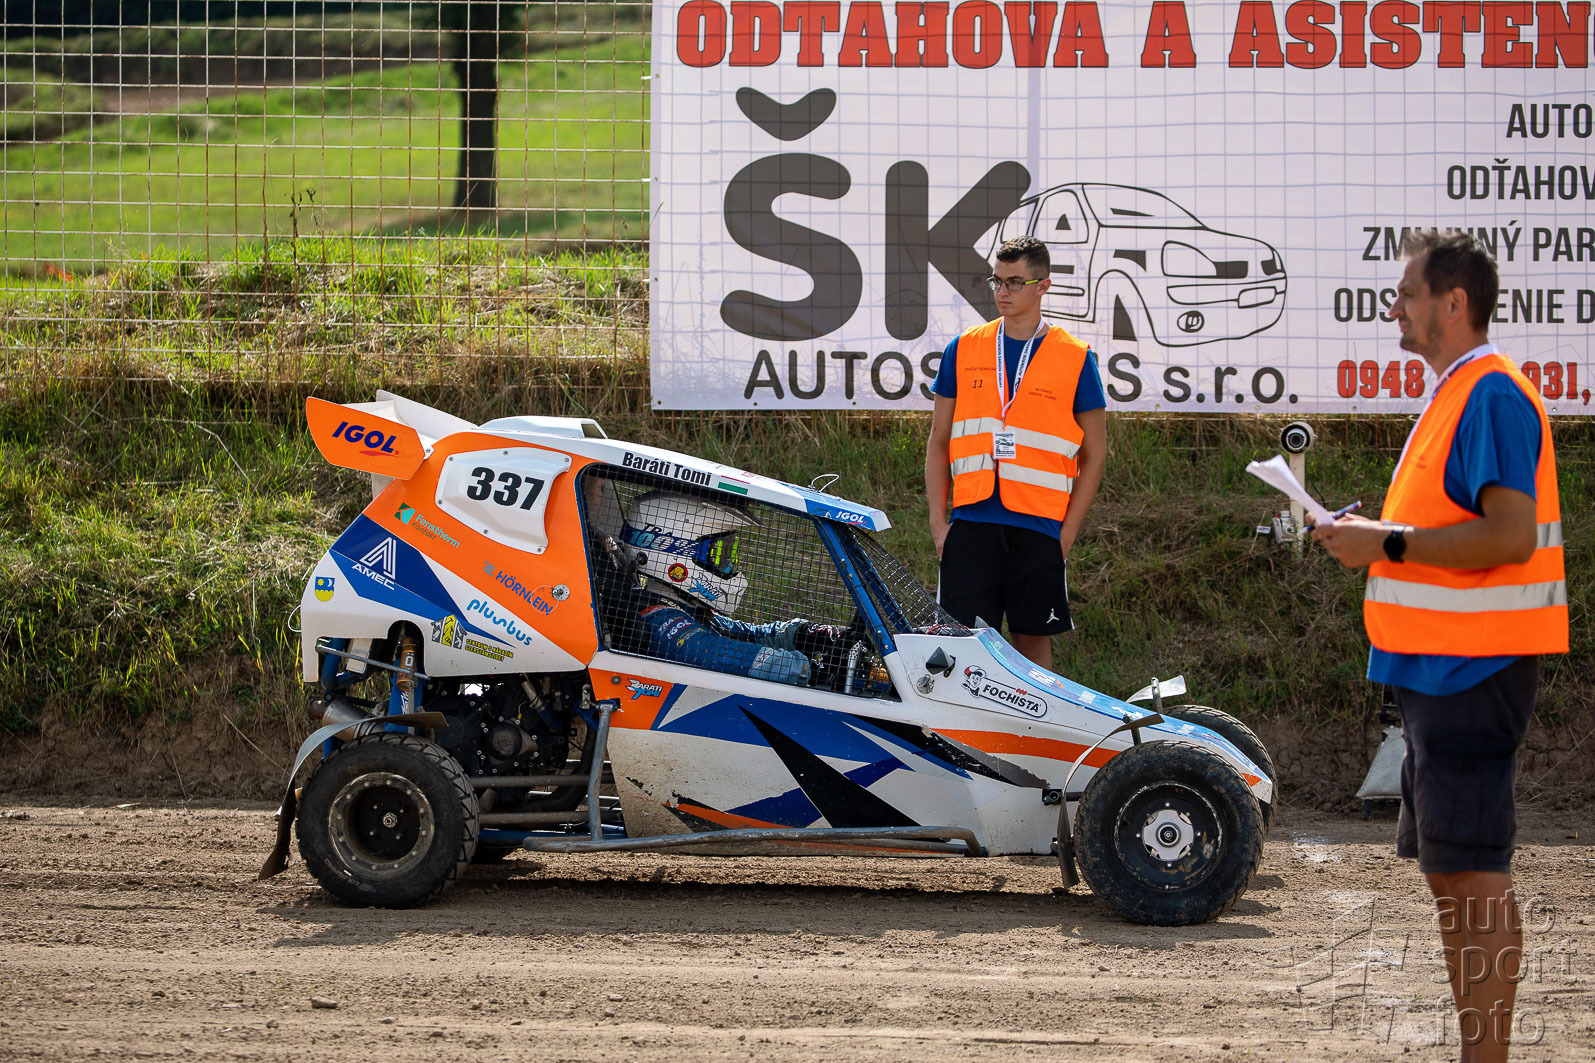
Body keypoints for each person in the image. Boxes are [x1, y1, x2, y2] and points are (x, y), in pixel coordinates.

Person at [1312, 231, 1567, 1063]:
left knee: (1473, 876)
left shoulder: (1489, 395)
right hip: (1439, 669)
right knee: (1451, 874)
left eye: (1407, 293)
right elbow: (1442, 528)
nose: (1394, 306)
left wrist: (1383, 542)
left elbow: (1508, 533)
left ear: (1452, 304)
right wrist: (1372, 536)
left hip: (1471, 666)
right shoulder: (1457, 392)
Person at [923, 235, 1107, 669]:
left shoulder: (1075, 357)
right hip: (972, 523)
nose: (1002, 292)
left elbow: (1095, 456)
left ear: (1043, 286)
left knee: (1032, 646)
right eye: (997, 281)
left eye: (1014, 282)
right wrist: (938, 524)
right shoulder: (963, 347)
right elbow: (938, 441)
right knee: (961, 649)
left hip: (1040, 527)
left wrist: (1066, 535)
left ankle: (1036, 718)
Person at [596, 489, 859, 686]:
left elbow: (746, 635)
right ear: (671, 554)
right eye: (719, 554)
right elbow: (725, 653)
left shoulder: (678, 609)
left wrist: (805, 634)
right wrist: (812, 667)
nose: (728, 565)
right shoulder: (662, 622)